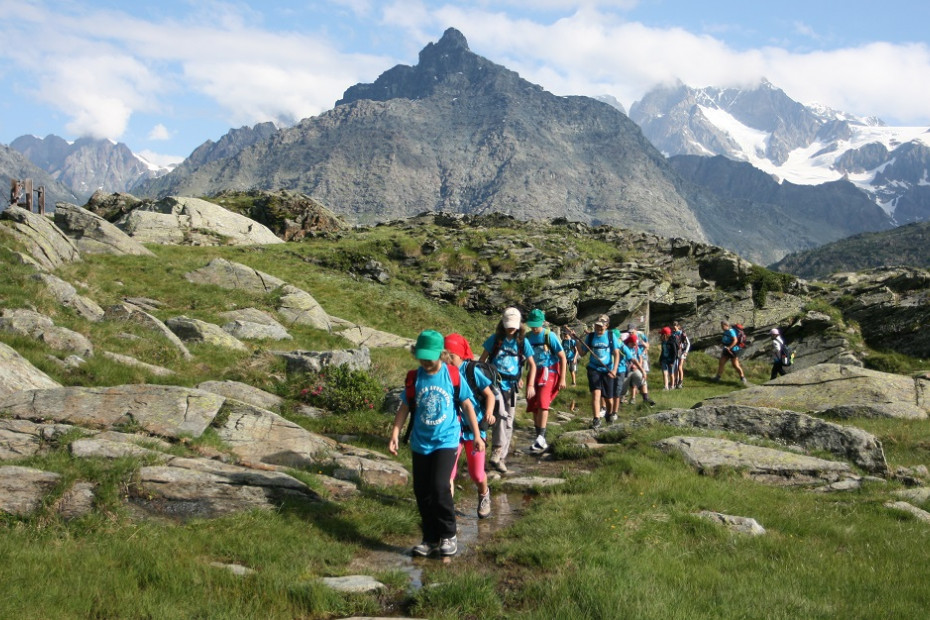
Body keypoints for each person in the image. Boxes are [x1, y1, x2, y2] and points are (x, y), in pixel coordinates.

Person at [389, 330, 484, 558]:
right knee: (422, 491)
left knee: (440, 487)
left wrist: (478, 436)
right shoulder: (414, 378)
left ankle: (448, 535)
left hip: (447, 440)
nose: (425, 361)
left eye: (429, 357)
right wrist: (394, 433)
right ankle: (430, 539)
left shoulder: (452, 375)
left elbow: (468, 406)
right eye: (421, 356)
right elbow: (404, 407)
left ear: (441, 354)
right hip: (420, 443)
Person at [479, 307, 536, 473]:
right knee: (501, 416)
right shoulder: (495, 339)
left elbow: (532, 365)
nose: (511, 328)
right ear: (502, 324)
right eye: (508, 325)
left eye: (513, 325)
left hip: (512, 387)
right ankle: (495, 450)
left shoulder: (522, 342)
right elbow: (482, 361)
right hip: (495, 384)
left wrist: (530, 384)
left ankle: (500, 458)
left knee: (509, 421)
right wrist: (482, 382)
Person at [444, 333, 494, 519]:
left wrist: (488, 413)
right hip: (452, 430)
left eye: (452, 355)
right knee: (448, 473)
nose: (448, 359)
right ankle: (446, 510)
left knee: (477, 474)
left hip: (475, 430)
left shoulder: (472, 370)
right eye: (445, 355)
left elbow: (489, 395)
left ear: (461, 355)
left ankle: (484, 494)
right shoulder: (444, 372)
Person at [524, 309, 567, 454]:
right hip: (533, 373)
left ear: (542, 322)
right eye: (532, 325)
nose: (534, 328)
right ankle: (539, 439)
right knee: (534, 404)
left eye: (536, 325)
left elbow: (562, 357)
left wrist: (562, 378)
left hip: (549, 372)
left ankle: (541, 436)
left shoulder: (550, 336)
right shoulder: (528, 337)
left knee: (543, 402)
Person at [580, 314, 619, 429]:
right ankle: (596, 419)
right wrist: (576, 340)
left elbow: (616, 354)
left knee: (609, 399)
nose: (598, 329)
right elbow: (582, 353)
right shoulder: (591, 336)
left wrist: (614, 370)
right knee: (596, 394)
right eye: (597, 326)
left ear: (607, 326)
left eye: (601, 327)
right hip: (594, 369)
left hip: (607, 369)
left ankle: (609, 413)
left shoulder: (611, 336)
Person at [619, 332, 656, 406]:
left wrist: (641, 368)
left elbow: (640, 357)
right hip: (625, 370)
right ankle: (619, 401)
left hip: (635, 369)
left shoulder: (636, 348)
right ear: (629, 342)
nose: (635, 345)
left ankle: (646, 399)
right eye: (633, 344)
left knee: (642, 380)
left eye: (635, 344)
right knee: (622, 389)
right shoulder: (623, 347)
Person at [713, 320, 747, 384]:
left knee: (735, 365)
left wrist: (729, 347)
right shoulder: (726, 331)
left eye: (722, 326)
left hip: (733, 350)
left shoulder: (731, 331)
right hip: (726, 349)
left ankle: (742, 377)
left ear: (726, 325)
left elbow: (735, 340)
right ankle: (718, 377)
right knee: (721, 362)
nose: (721, 327)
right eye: (721, 326)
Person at [672, 320, 690, 389]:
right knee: (676, 367)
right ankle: (676, 381)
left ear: (678, 326)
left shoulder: (682, 333)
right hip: (676, 352)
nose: (674, 329)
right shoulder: (673, 334)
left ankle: (680, 382)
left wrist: (686, 351)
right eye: (673, 327)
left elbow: (688, 343)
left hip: (682, 352)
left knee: (679, 366)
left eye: (675, 327)